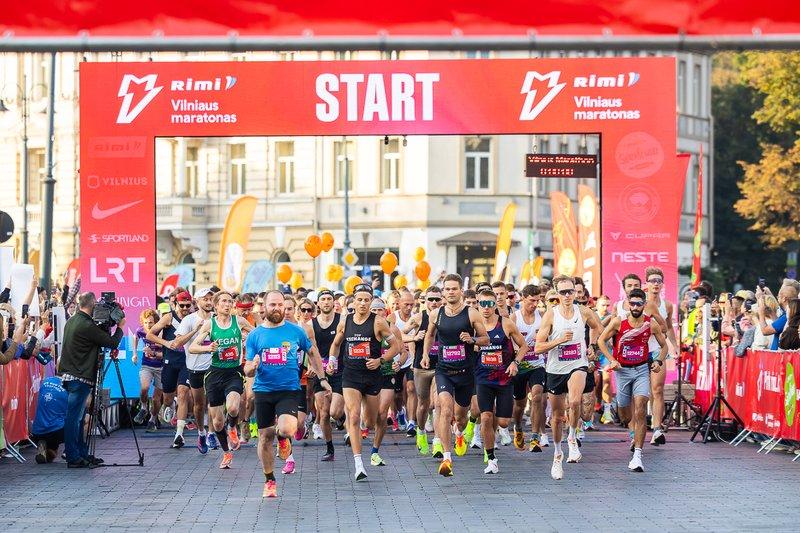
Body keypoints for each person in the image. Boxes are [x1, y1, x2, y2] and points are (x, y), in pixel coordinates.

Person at [244, 290, 330, 498]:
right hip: (263, 390)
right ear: (264, 307)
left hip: (289, 389)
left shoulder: (295, 331)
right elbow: (247, 368)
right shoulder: (255, 335)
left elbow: (312, 352)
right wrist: (252, 367)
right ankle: (270, 479)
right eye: (272, 305)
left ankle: (284, 438)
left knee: (287, 428)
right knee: (264, 436)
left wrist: (322, 378)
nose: (277, 308)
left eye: (280, 305)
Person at [328, 283, 401, 481]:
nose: (362, 303)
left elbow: (396, 346)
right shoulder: (345, 320)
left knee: (369, 420)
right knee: (352, 415)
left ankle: (363, 424)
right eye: (359, 300)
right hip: (350, 375)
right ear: (353, 301)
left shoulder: (378, 322)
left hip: (372, 376)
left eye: (366, 300)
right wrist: (332, 361)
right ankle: (358, 463)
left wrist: (381, 360)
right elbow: (336, 345)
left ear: (371, 302)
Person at [534, 276, 603, 480]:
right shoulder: (550, 315)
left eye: (570, 292)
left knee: (574, 401)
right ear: (556, 293)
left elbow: (598, 328)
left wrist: (592, 346)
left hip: (577, 364)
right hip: (555, 368)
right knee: (556, 417)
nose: (567, 296)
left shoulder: (583, 311)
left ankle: (572, 437)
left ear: (575, 292)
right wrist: (557, 341)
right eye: (563, 292)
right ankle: (557, 454)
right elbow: (538, 347)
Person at [422, 274, 490, 477]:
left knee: (460, 417)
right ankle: (447, 457)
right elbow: (430, 335)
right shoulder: (436, 314)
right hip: (444, 371)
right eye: (447, 289)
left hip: (465, 373)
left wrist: (472, 339)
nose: (450, 292)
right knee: (444, 408)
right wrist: (426, 354)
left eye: (454, 288)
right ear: (443, 291)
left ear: (461, 290)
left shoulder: (472, 313)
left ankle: (459, 432)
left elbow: (486, 339)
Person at [597, 288, 667, 472]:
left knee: (641, 408)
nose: (635, 307)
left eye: (639, 303)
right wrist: (612, 360)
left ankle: (637, 455)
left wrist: (658, 360)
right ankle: (625, 422)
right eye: (632, 303)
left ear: (644, 305)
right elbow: (601, 340)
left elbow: (664, 345)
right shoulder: (619, 321)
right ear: (628, 303)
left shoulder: (650, 324)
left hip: (642, 369)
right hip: (622, 371)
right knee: (626, 415)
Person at [58, 292, 126, 468]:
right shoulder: (86, 325)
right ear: (93, 304)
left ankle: (81, 453)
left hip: (73, 375)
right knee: (74, 418)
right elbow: (111, 342)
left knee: (79, 418)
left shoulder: (73, 321)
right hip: (78, 377)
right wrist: (120, 327)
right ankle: (73, 456)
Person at [188, 291, 254, 469]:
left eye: (230, 301)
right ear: (216, 306)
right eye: (223, 301)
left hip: (234, 371)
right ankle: (226, 453)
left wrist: (248, 339)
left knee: (233, 407)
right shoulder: (210, 324)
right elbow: (193, 347)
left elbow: (257, 335)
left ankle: (232, 427)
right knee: (217, 422)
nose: (227, 304)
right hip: (214, 374)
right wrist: (208, 347)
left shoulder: (238, 321)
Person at [475, 288, 527, 474]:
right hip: (482, 379)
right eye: (483, 304)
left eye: (490, 304)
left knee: (503, 422)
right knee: (486, 417)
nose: (486, 308)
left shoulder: (505, 324)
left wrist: (515, 362)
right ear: (478, 304)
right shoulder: (474, 325)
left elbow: (524, 346)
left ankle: (494, 432)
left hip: (505, 379)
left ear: (495, 305)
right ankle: (491, 458)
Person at [146, 290, 196, 449]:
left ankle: (179, 434)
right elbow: (150, 335)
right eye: (182, 305)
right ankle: (170, 406)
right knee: (167, 399)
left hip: (186, 363)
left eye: (188, 305)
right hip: (169, 362)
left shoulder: (194, 318)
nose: (185, 308)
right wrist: (166, 343)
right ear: (175, 304)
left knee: (183, 393)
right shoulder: (168, 317)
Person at [169, 288, 215, 453]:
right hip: (195, 368)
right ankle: (201, 432)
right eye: (205, 299)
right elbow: (178, 343)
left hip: (214, 367)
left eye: (211, 299)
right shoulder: (189, 319)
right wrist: (196, 330)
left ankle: (211, 433)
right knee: (199, 404)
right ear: (197, 301)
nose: (209, 302)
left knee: (214, 402)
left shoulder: (217, 319)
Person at [402, 286, 443, 456]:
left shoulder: (448, 316)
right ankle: (421, 431)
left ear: (442, 300)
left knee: (438, 403)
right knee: (423, 404)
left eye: (437, 299)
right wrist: (414, 337)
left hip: (442, 366)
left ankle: (438, 442)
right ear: (424, 301)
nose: (434, 303)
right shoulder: (419, 318)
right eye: (430, 299)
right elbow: (399, 334)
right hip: (422, 367)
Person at [642, 267, 679, 446]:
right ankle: (638, 428)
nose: (655, 284)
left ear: (662, 284)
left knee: (657, 389)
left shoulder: (667, 305)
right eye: (652, 281)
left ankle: (657, 429)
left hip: (658, 349)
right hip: (639, 351)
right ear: (646, 284)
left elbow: (669, 327)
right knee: (642, 393)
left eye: (658, 281)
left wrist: (675, 346)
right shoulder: (638, 303)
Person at [371, 298, 409, 466]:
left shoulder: (392, 329)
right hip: (368, 375)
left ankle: (374, 451)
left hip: (387, 374)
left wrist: (398, 363)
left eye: (380, 310)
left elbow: (403, 352)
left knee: (381, 411)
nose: (377, 314)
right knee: (369, 418)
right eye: (373, 311)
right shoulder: (364, 329)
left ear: (385, 312)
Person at [511, 284, 547, 452]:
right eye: (532, 301)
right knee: (519, 404)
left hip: (536, 364)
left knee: (538, 396)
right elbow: (508, 342)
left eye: (538, 301)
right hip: (519, 366)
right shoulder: (514, 318)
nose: (535, 304)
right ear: (523, 299)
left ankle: (534, 437)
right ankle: (518, 427)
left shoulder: (543, 316)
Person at [310, 289, 344, 462]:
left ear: (333, 302)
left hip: (340, 370)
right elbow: (310, 350)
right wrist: (311, 366)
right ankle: (329, 448)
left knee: (335, 412)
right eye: (323, 299)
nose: (326, 302)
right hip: (320, 371)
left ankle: (342, 417)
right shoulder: (311, 325)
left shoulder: (342, 321)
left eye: (329, 299)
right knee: (323, 413)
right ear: (318, 303)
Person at [386, 290, 417, 436]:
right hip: (396, 360)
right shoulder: (392, 317)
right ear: (399, 304)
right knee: (397, 395)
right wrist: (410, 338)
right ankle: (400, 411)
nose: (409, 307)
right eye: (406, 304)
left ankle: (412, 423)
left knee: (411, 388)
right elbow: (393, 336)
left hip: (411, 359)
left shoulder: (417, 317)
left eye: (412, 304)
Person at [132, 309, 164, 433]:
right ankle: (144, 407)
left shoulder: (161, 331)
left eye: (150, 322)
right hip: (147, 365)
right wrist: (134, 354)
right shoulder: (141, 330)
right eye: (145, 322)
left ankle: (152, 419)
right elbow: (135, 337)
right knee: (144, 388)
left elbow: (167, 350)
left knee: (156, 399)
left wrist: (154, 352)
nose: (148, 325)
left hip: (161, 368)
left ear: (156, 322)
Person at [31, 375, 68, 464]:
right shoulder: (70, 387)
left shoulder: (45, 381)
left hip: (37, 431)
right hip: (56, 431)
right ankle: (69, 450)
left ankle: (43, 446)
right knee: (84, 418)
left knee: (51, 457)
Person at [757, 284, 799, 350]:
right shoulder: (788, 314)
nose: (777, 298)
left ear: (784, 299)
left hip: (781, 357)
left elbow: (765, 331)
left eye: (778, 296)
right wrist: (771, 313)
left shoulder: (787, 316)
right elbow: (779, 326)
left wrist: (761, 314)